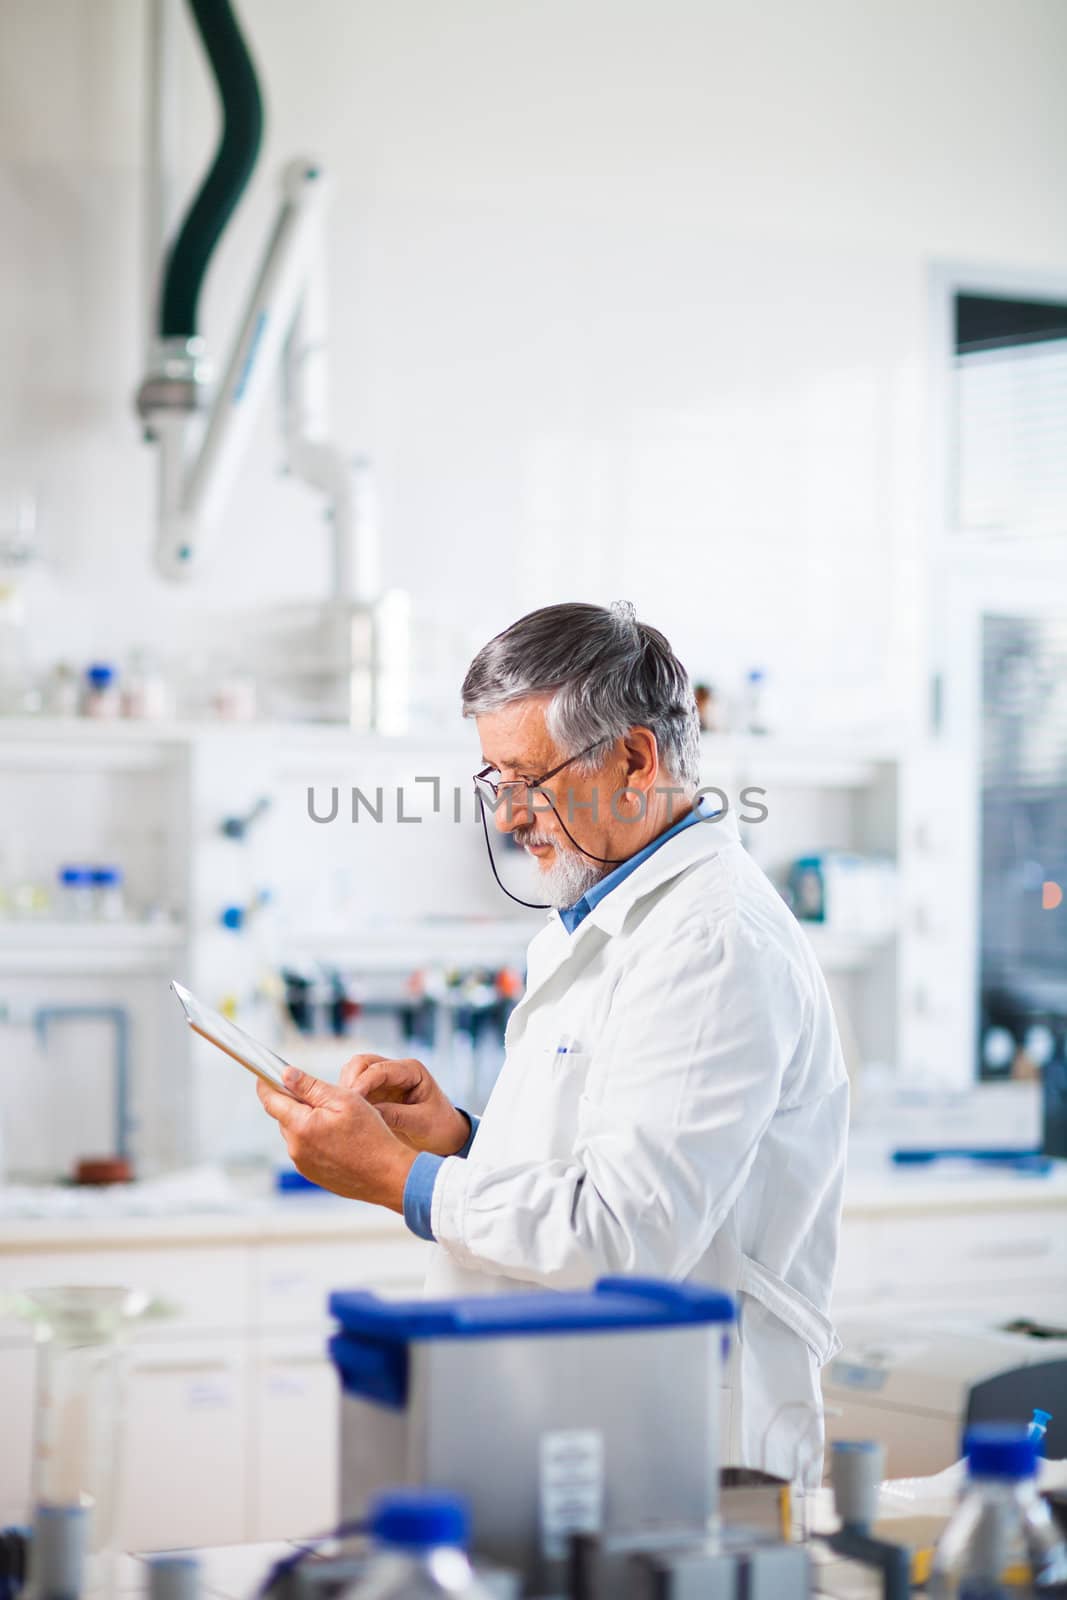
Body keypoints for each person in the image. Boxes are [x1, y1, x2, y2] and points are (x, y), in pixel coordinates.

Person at [256, 601, 849, 1478]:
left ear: (634, 759)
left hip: (686, 1444)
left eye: (527, 777)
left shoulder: (712, 941)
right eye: (494, 780)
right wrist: (460, 1141)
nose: (508, 814)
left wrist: (400, 1180)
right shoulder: (598, 918)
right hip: (580, 1414)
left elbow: (620, 1232)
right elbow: (596, 1166)